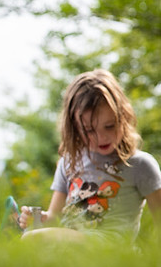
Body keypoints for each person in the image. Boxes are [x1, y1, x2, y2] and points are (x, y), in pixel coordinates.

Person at [17, 69, 161, 246]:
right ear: (74, 128)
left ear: (123, 117)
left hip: (111, 251)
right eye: (89, 130)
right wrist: (38, 219)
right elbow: (54, 218)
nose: (101, 137)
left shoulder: (140, 164)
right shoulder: (69, 161)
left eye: (109, 126)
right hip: (72, 251)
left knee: (31, 239)